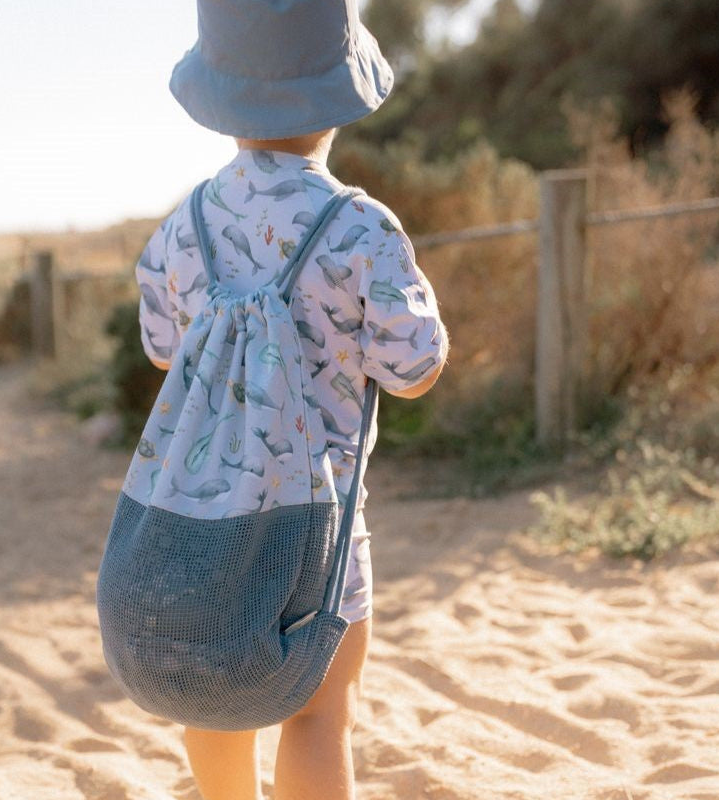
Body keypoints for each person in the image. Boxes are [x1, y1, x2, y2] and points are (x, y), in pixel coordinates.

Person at [134, 2, 449, 798]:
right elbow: (414, 367)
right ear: (341, 94)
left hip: (196, 519)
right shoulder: (360, 226)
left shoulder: (184, 226)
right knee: (318, 712)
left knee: (209, 701)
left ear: (218, 99)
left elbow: (163, 348)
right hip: (323, 526)